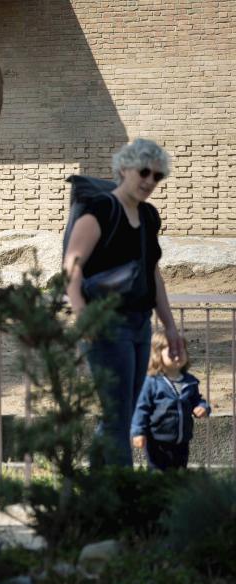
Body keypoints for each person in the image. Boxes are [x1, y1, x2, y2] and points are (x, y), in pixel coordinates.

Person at [63, 138, 181, 467]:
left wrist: (169, 326)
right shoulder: (99, 210)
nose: (149, 181)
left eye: (157, 176)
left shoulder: (149, 216)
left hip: (140, 324)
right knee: (116, 417)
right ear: (123, 169)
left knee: (122, 414)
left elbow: (152, 273)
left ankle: (99, 487)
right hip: (105, 326)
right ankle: (119, 494)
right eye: (143, 171)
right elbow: (71, 269)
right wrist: (84, 318)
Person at [131, 329, 210, 470]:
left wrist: (203, 407)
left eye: (181, 349)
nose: (177, 354)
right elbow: (141, 408)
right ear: (157, 354)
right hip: (157, 441)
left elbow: (197, 400)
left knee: (179, 474)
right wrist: (138, 432)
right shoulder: (152, 382)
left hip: (182, 441)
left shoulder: (190, 381)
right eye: (172, 350)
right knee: (158, 476)